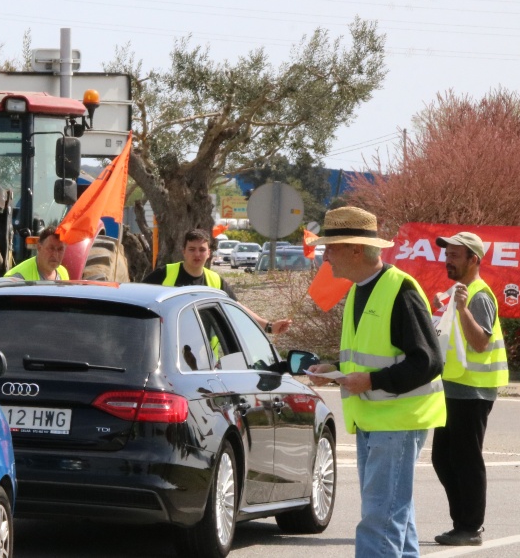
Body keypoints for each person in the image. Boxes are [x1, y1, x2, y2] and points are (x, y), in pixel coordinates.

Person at [306, 206, 445, 558]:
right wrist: (335, 369)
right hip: (378, 421)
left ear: (356, 250)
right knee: (395, 515)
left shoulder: (400, 290)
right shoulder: (358, 290)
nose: (326, 257)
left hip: (397, 421)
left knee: (381, 518)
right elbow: (372, 354)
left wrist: (369, 380)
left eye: (331, 248)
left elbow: (428, 361)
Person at [431, 231, 507, 547]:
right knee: (442, 458)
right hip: (454, 388)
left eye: (454, 255)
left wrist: (461, 310)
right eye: (446, 254)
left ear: (473, 259)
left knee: (465, 458)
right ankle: (461, 522)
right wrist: (441, 308)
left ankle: (470, 527)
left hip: (474, 390)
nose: (447, 260)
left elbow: (480, 342)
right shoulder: (459, 292)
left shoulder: (479, 296)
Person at [143, 228, 292, 336]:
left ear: (209, 253)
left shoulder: (215, 280)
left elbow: (237, 308)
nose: (197, 254)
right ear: (183, 251)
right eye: (192, 249)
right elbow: (138, 300)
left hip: (204, 357)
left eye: (202, 250)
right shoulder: (164, 274)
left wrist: (269, 327)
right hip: (165, 350)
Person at [5, 226, 69, 281]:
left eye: (60, 249)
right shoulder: (18, 278)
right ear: (39, 247)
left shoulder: (63, 273)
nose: (55, 255)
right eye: (51, 248)